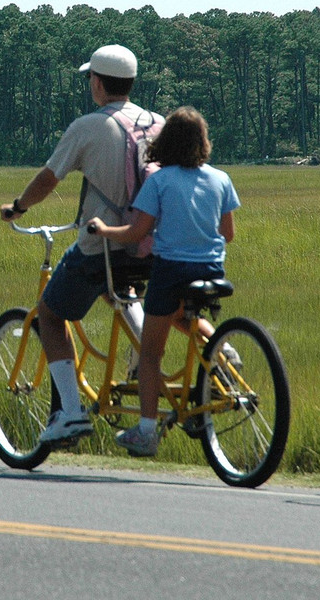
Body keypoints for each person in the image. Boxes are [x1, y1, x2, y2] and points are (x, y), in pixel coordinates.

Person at [0, 44, 164, 447]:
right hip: (150, 246)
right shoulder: (158, 122)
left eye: (90, 77)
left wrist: (18, 207)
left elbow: (48, 178)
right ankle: (146, 361)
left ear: (98, 82)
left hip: (102, 248)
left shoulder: (89, 126)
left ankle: (71, 413)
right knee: (123, 293)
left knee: (50, 315)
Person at [88, 106, 240, 457]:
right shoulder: (221, 179)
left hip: (171, 272)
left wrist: (103, 228)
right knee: (176, 315)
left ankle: (145, 431)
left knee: (151, 354)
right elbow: (227, 234)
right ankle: (221, 348)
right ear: (203, 142)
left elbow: (136, 232)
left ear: (166, 142)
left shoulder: (159, 180)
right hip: (212, 271)